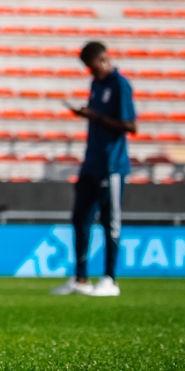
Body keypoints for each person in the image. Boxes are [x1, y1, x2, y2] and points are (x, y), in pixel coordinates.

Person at [54, 41, 137, 298]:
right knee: (80, 218)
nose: (90, 72)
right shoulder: (96, 84)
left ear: (103, 60)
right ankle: (81, 278)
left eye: (91, 67)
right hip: (91, 163)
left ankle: (110, 279)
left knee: (110, 222)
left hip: (112, 164)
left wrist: (95, 117)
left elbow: (130, 126)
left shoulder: (120, 85)